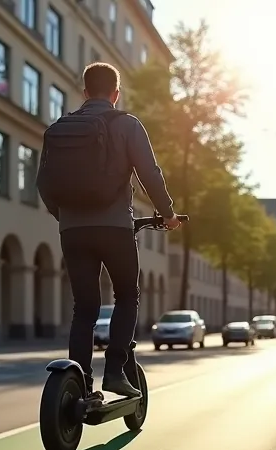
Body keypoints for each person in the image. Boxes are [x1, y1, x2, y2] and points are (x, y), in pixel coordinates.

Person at [43, 62, 181, 398]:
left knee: (85, 307)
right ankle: (116, 370)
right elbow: (150, 174)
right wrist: (169, 214)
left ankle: (79, 384)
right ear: (116, 94)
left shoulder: (58, 128)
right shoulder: (127, 125)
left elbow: (44, 183)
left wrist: (64, 216)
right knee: (127, 296)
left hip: (72, 231)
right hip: (115, 227)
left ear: (84, 92)